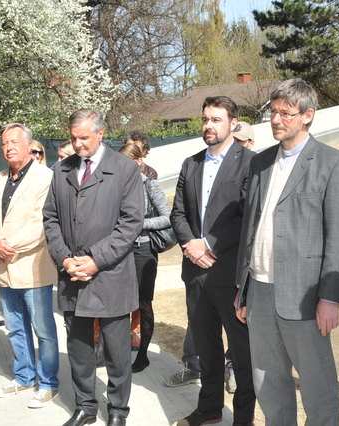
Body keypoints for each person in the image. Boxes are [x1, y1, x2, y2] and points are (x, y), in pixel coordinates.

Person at [235, 78, 339, 425]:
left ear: (307, 115)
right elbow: (249, 229)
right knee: (268, 382)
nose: (276, 120)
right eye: (273, 112)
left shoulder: (334, 163)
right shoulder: (260, 163)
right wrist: (243, 289)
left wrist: (329, 298)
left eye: (285, 113)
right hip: (259, 291)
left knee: (317, 387)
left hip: (305, 295)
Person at [43, 109, 143, 426]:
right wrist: (65, 259)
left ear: (101, 133)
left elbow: (130, 224)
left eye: (84, 137)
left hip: (111, 275)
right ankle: (85, 406)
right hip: (72, 275)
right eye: (73, 138)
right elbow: (50, 218)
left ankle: (118, 410)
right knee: (79, 349)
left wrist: (95, 259)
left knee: (117, 351)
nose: (78, 144)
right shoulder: (62, 169)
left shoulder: (125, 169)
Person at [171, 96, 256, 426]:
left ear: (233, 123)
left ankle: (243, 419)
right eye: (205, 119)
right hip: (195, 272)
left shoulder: (250, 163)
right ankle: (209, 408)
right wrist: (192, 245)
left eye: (216, 119)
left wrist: (207, 244)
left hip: (230, 274)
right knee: (206, 346)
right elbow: (178, 213)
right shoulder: (190, 164)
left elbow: (248, 217)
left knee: (242, 352)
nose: (208, 125)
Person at [0, 123, 60, 409]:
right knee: (15, 327)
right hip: (5, 267)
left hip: (33, 266)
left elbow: (43, 224)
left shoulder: (46, 177)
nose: (8, 147)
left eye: (14, 142)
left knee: (43, 329)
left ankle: (48, 383)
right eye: (4, 143)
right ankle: (24, 377)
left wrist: (7, 246)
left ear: (29, 145)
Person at [118, 143, 171, 373]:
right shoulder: (115, 186)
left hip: (143, 250)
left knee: (142, 303)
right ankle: (116, 352)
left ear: (139, 161)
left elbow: (168, 217)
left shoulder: (150, 184)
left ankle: (142, 355)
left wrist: (139, 224)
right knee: (119, 303)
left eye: (127, 162)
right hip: (119, 251)